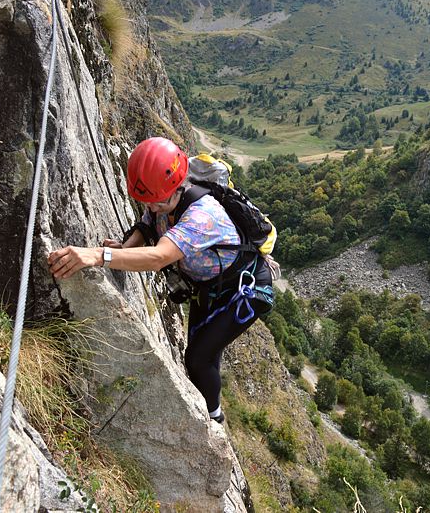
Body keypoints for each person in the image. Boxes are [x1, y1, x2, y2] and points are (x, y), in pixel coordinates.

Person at [48, 137, 274, 424]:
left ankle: (215, 420)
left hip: (246, 291)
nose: (152, 207)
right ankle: (208, 408)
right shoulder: (164, 194)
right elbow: (148, 223)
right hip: (211, 287)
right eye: (147, 202)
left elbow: (158, 257)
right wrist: (127, 247)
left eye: (156, 203)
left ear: (176, 188)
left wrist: (97, 256)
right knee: (204, 355)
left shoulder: (202, 216)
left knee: (198, 358)